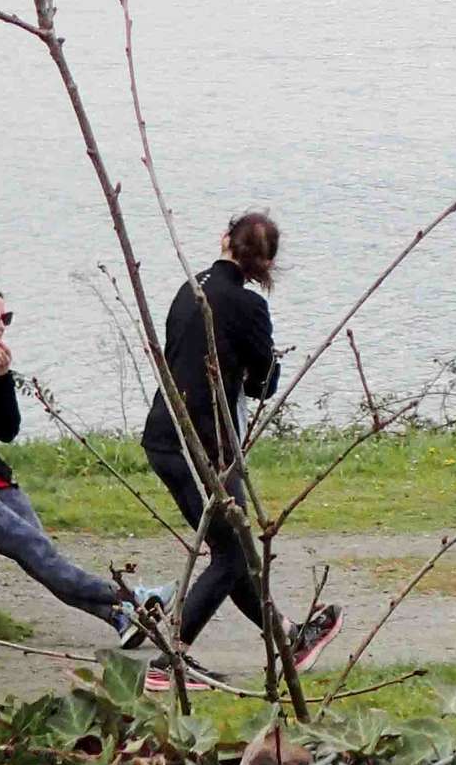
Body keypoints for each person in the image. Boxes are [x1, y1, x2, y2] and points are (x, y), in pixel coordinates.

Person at [140, 213, 342, 691]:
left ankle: (290, 636)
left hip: (165, 435)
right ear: (268, 264)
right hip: (204, 446)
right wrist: (266, 362)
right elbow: (261, 384)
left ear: (224, 239)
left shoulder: (188, 289)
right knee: (231, 555)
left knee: (234, 552)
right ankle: (167, 662)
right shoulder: (248, 306)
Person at [0, 283, 166, 649]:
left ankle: (118, 617)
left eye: (6, 319)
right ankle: (132, 596)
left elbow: (8, 430)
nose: (1, 328)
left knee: (41, 554)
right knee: (36, 550)